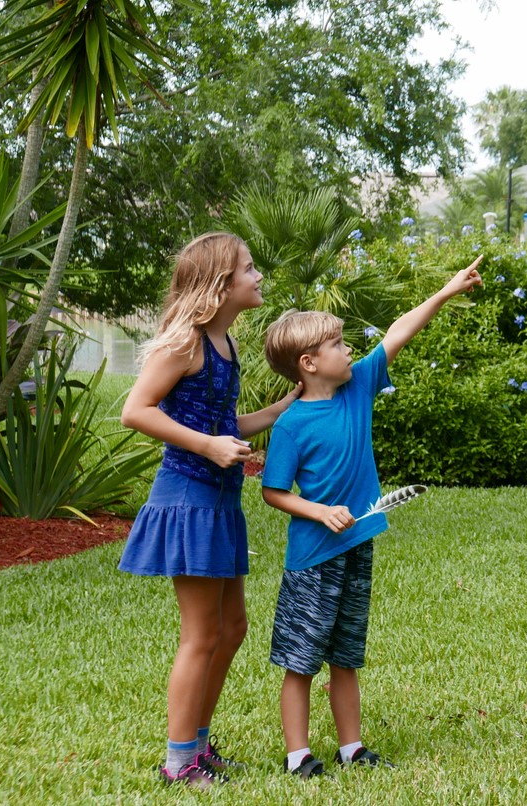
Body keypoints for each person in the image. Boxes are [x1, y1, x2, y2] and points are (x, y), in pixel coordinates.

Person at [260, 257, 482, 779]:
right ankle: (298, 756)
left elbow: (400, 329)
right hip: (313, 558)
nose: (348, 348)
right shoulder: (291, 424)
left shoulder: (359, 386)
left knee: (346, 653)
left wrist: (446, 291)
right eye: (336, 344)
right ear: (309, 363)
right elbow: (272, 492)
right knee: (301, 659)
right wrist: (318, 510)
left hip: (358, 545)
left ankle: (351, 747)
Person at [118, 232, 301, 790]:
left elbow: (223, 425)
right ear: (221, 284)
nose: (258, 276)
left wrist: (281, 409)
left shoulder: (225, 343)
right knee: (201, 635)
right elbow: (135, 411)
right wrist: (208, 446)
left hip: (219, 502)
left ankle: (198, 744)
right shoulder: (186, 342)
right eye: (249, 268)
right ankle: (178, 763)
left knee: (232, 628)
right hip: (188, 499)